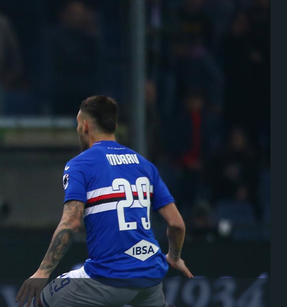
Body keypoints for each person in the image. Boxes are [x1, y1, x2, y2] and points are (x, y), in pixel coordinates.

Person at [16, 96, 193, 307]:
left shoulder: (80, 165)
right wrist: (174, 256)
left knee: (39, 303)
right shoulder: (145, 166)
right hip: (150, 276)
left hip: (109, 276)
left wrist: (43, 271)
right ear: (114, 126)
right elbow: (176, 224)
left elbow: (72, 222)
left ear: (84, 125)